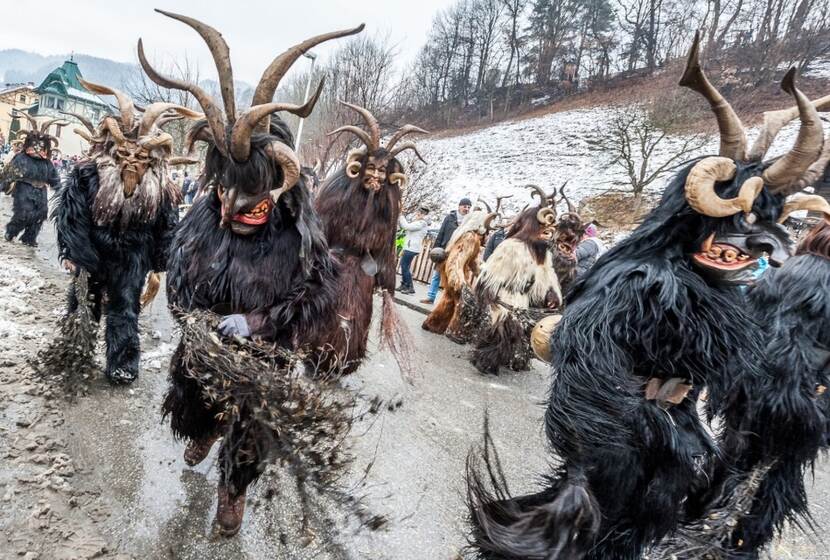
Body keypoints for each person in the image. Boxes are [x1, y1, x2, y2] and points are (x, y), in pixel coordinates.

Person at [54, 79, 193, 385]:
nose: (132, 161)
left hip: (132, 256)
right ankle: (75, 350)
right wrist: (75, 255)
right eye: (125, 154)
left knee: (125, 309)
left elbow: (166, 226)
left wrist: (159, 259)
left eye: (141, 157)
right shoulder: (89, 173)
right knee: (83, 305)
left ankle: (122, 364)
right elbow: (71, 217)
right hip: (91, 251)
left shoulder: (160, 187)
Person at [3, 115, 61, 247]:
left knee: (40, 215)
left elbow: (54, 177)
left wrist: (59, 189)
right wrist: (3, 185)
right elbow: (9, 174)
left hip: (41, 191)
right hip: (24, 188)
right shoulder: (21, 158)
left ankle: (29, 238)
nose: (37, 148)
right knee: (24, 212)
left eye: (41, 145)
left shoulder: (47, 163)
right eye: (35, 144)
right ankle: (11, 232)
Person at [421, 197, 471, 304]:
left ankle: (445, 302)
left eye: (468, 207)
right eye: (465, 206)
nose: (466, 208)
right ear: (459, 206)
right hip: (444, 251)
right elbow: (441, 233)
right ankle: (431, 297)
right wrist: (435, 248)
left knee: (451, 279)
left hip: (458, 254)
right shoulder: (449, 218)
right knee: (437, 275)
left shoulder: (469, 222)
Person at [398, 206, 430, 294]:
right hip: (409, 247)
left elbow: (406, 226)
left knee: (404, 266)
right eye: (418, 212)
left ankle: (410, 287)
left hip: (412, 248)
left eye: (421, 213)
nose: (418, 214)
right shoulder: (417, 222)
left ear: (424, 215)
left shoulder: (421, 223)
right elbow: (404, 226)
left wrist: (401, 216)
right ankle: (404, 284)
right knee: (405, 266)